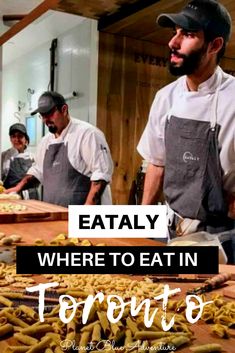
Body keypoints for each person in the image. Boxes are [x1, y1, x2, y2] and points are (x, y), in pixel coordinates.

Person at [137, 0, 235, 261]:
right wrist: (141, 226)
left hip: (220, 240)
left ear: (215, 46)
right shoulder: (166, 97)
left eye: (188, 35)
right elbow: (156, 164)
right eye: (175, 33)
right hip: (170, 228)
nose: (173, 43)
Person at [4, 91, 113, 206]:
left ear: (64, 109)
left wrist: (86, 212)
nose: (46, 119)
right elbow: (38, 171)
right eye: (42, 115)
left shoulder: (87, 134)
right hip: (55, 214)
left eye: (49, 114)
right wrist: (17, 188)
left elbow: (101, 174)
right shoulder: (45, 141)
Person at [1, 123, 38, 199]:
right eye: (13, 136)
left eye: (20, 136)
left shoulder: (33, 157)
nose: (16, 139)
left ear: (26, 139)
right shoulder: (4, 156)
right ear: (10, 139)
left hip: (31, 197)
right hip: (11, 196)